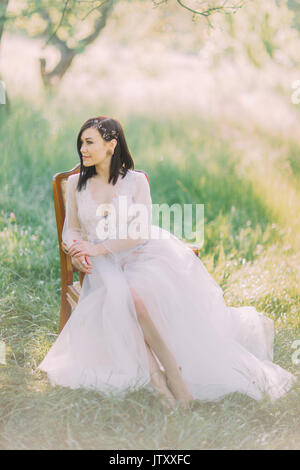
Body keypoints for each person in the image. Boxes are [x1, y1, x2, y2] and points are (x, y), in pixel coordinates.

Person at [37, 116, 297, 409]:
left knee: (135, 298)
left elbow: (140, 232)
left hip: (141, 255)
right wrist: (76, 249)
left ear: (111, 146)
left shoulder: (135, 181)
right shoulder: (75, 184)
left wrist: (98, 249)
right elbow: (71, 228)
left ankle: (173, 375)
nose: (82, 149)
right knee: (121, 293)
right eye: (81, 143)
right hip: (102, 265)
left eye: (89, 142)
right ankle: (157, 379)